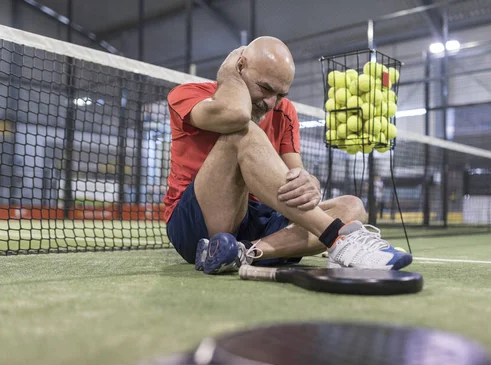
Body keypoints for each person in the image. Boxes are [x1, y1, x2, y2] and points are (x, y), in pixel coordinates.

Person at [164, 36, 412, 274]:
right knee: (242, 131)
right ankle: (338, 237)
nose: (272, 103)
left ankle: (243, 253)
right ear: (240, 66)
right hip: (195, 224)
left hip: (256, 218)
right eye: (265, 88)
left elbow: (295, 172)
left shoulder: (285, 111)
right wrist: (228, 73)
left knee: (352, 207)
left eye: (280, 95)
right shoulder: (188, 94)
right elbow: (237, 115)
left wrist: (309, 182)